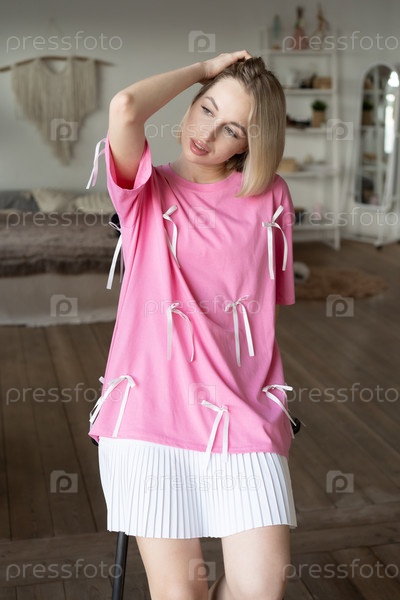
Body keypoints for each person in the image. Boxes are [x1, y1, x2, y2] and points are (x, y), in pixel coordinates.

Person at [87, 50, 297, 600]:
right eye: (206, 109)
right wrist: (204, 69)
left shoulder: (270, 197)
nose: (206, 133)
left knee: (261, 590)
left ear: (248, 144)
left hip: (243, 418)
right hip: (149, 419)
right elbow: (126, 106)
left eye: (231, 129)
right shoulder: (145, 193)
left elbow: (258, 317)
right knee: (183, 594)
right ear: (192, 100)